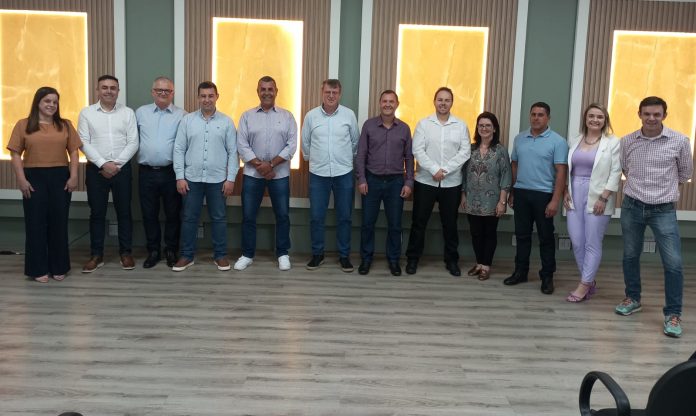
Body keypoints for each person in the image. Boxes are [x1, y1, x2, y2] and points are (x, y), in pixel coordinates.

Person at [615, 96, 693, 338]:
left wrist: (662, 191)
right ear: (639, 114)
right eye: (647, 114)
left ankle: (673, 314)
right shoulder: (627, 141)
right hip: (632, 206)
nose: (651, 118)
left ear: (664, 116)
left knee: (673, 263)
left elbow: (685, 173)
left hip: (663, 210)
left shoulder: (680, 141)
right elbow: (625, 168)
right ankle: (633, 298)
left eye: (656, 114)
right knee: (630, 256)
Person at [7, 87, 80, 282]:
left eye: (55, 102)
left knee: (59, 222)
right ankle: (37, 269)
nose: (51, 105)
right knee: (35, 223)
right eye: (47, 101)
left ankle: (59, 266)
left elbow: (74, 152)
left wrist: (73, 176)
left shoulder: (65, 125)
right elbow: (15, 153)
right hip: (33, 177)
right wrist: (21, 179)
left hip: (60, 177)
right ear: (37, 102)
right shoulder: (23, 125)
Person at [172, 81, 238, 272]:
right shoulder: (187, 121)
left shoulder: (226, 122)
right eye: (203, 96)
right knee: (189, 218)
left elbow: (233, 152)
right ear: (198, 97)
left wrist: (231, 179)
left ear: (217, 97)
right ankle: (187, 255)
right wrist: (179, 176)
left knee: (219, 218)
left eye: (210, 96)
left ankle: (220, 255)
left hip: (218, 180)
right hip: (191, 179)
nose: (207, 99)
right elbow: (179, 149)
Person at [405, 87, 471, 276]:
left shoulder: (460, 125)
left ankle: (452, 261)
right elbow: (417, 150)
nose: (443, 103)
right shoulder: (424, 124)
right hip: (425, 181)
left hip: (451, 183)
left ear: (452, 103)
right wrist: (434, 169)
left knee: (450, 224)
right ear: (434, 101)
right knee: (419, 222)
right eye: (440, 99)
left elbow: (465, 152)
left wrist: (445, 170)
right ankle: (412, 259)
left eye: (447, 100)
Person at [234, 76, 297, 271]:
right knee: (248, 215)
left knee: (282, 215)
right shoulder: (247, 116)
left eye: (270, 89)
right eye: (263, 89)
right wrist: (261, 166)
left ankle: (282, 253)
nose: (267, 92)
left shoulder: (287, 116)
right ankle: (247, 254)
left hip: (280, 175)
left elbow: (291, 146)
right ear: (258, 91)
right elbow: (242, 145)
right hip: (252, 175)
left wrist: (270, 165)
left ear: (276, 91)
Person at [504, 102, 568, 294]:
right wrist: (512, 192)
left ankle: (547, 276)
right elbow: (514, 165)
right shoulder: (519, 139)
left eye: (541, 115)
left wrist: (555, 200)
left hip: (544, 195)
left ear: (548, 118)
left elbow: (561, 172)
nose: (536, 118)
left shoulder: (558, 141)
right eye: (533, 114)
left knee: (546, 237)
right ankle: (520, 272)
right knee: (522, 235)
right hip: (521, 193)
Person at [78, 75, 139, 273]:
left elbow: (133, 142)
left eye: (113, 88)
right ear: (98, 90)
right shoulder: (86, 113)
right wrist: (103, 164)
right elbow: (83, 142)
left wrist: (116, 165)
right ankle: (96, 255)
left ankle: (126, 253)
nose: (109, 91)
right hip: (96, 170)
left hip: (122, 169)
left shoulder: (128, 113)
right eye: (104, 87)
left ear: (118, 91)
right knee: (97, 213)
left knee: (124, 212)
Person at [563, 103, 620, 302]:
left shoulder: (612, 142)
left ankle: (584, 284)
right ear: (585, 119)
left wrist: (604, 198)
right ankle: (589, 281)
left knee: (592, 243)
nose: (595, 120)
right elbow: (567, 169)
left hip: (598, 196)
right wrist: (565, 190)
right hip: (574, 193)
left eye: (600, 117)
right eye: (591, 116)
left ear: (605, 120)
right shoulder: (575, 139)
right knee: (577, 241)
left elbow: (616, 172)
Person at [301, 79, 359, 272]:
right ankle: (317, 254)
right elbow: (305, 144)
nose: (331, 96)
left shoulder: (349, 115)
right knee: (317, 216)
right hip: (318, 173)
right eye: (328, 92)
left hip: (344, 173)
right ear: (322, 92)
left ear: (340, 94)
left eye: (335, 92)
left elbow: (355, 143)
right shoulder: (311, 116)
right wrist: (314, 160)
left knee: (345, 216)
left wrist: (345, 159)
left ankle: (344, 256)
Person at [355, 89, 413, 276]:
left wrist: (409, 182)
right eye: (384, 101)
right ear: (380, 103)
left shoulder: (404, 128)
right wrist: (362, 179)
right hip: (372, 180)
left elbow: (409, 158)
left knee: (395, 224)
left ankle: (394, 260)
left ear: (397, 104)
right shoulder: (369, 126)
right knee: (367, 223)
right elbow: (361, 154)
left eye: (391, 101)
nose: (388, 104)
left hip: (396, 182)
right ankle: (366, 259)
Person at [135, 76, 186, 269]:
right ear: (152, 92)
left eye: (167, 90)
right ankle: (153, 251)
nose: (163, 93)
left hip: (171, 173)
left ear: (173, 93)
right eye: (159, 90)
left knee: (173, 214)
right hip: (146, 172)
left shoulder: (182, 115)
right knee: (149, 214)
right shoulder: (141, 113)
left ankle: (171, 250)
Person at [460, 112, 511, 281]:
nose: (484, 128)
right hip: (472, 198)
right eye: (481, 125)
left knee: (489, 233)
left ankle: (486, 266)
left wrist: (502, 201)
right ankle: (479, 263)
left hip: (492, 200)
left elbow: (506, 176)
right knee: (475, 233)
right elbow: (464, 174)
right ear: (477, 128)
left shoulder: (500, 151)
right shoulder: (470, 149)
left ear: (494, 128)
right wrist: (463, 195)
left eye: (488, 125)